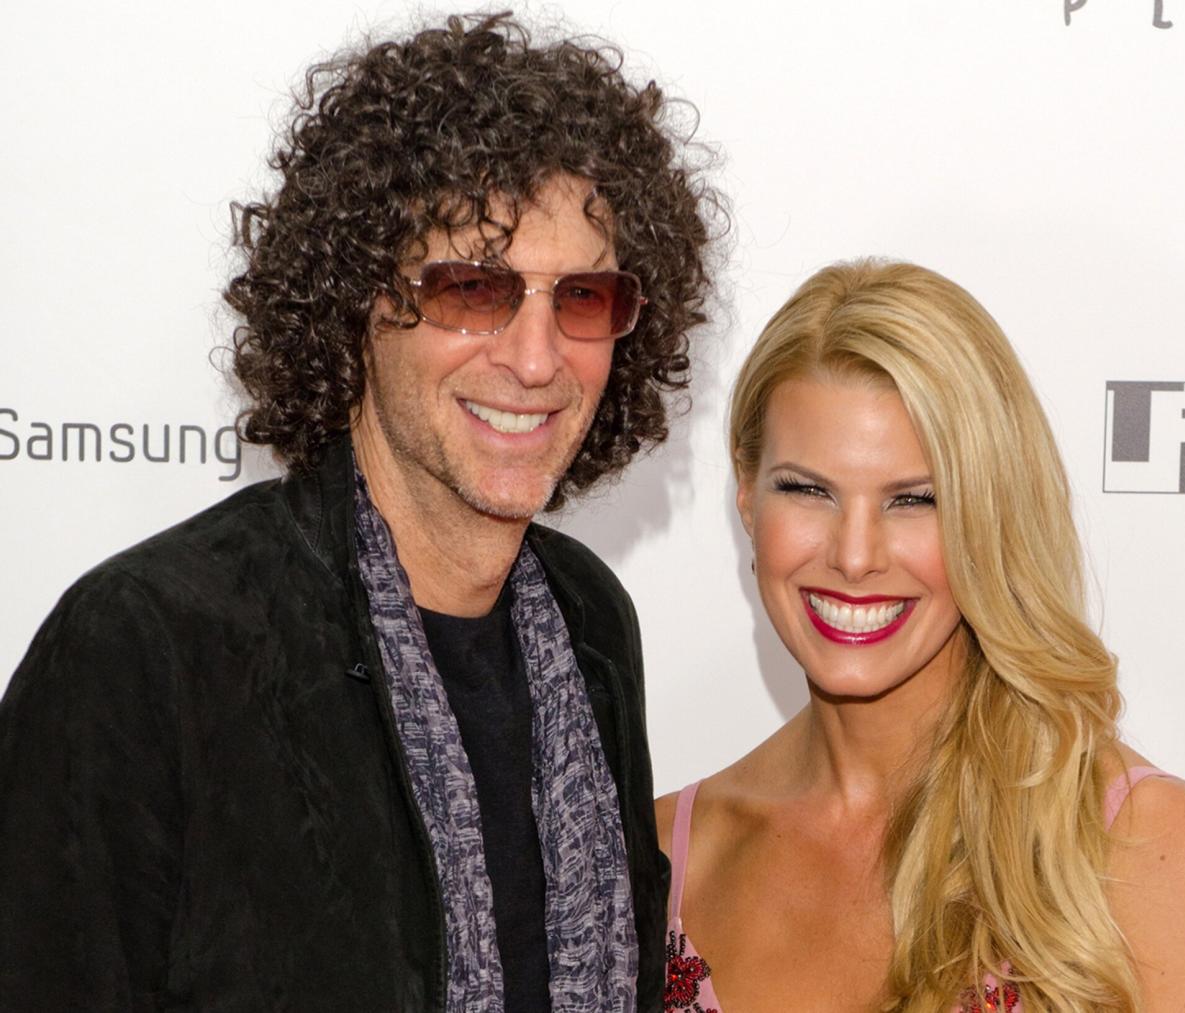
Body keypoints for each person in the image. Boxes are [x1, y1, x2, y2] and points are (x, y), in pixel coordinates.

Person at [0, 12, 720, 1011]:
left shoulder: (590, 621)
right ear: (355, 298)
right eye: (474, 287)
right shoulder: (149, 644)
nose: (536, 354)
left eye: (583, 297)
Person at [659, 259, 1185, 1012]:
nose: (856, 555)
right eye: (808, 489)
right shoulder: (664, 858)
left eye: (915, 500)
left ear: (988, 513)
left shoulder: (1149, 846)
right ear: (746, 492)